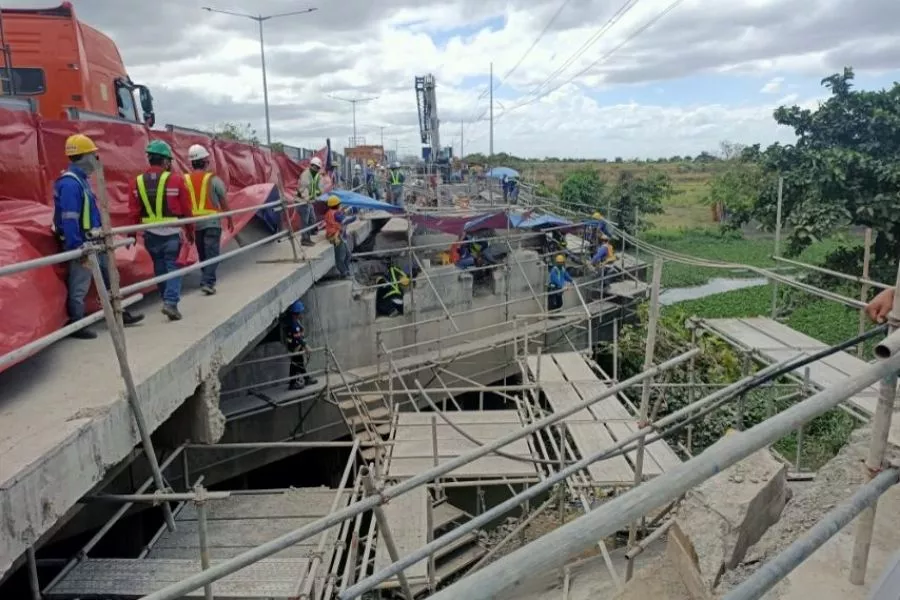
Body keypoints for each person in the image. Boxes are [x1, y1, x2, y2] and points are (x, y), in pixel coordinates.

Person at [53, 134, 144, 338]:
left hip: (96, 240)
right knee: (80, 285)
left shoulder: (81, 181)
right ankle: (77, 324)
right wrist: (78, 248)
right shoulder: (70, 184)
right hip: (83, 244)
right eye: (94, 155)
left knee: (111, 277)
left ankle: (119, 312)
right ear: (84, 157)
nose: (97, 160)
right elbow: (70, 219)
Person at [130, 139, 193, 321]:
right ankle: (171, 303)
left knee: (159, 267)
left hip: (150, 234)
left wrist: (132, 234)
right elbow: (187, 209)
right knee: (174, 267)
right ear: (166, 161)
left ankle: (166, 299)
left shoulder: (136, 182)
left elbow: (133, 211)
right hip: (173, 232)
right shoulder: (176, 180)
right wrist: (190, 230)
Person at [185, 144, 233, 296]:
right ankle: (208, 282)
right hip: (212, 222)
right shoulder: (213, 179)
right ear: (206, 161)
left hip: (195, 224)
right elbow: (223, 199)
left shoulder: (185, 180)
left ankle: (205, 278)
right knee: (212, 253)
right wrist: (229, 217)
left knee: (203, 254)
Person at [281, 300, 317, 391]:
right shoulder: (294, 325)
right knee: (295, 364)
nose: (301, 314)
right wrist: (306, 346)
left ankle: (306, 378)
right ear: (295, 314)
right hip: (295, 348)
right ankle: (293, 383)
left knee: (299, 362)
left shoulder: (292, 321)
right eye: (300, 312)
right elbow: (297, 337)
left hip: (294, 347)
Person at [323, 195, 356, 278]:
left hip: (338, 236)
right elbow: (345, 220)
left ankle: (346, 270)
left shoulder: (331, 212)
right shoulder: (336, 214)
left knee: (348, 255)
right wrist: (354, 216)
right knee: (340, 257)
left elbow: (341, 217)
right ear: (336, 205)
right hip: (336, 237)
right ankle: (344, 273)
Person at [297, 156, 323, 246]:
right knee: (305, 221)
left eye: (318, 168)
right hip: (302, 201)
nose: (316, 169)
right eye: (315, 167)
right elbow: (303, 189)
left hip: (309, 201)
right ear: (311, 165)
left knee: (312, 219)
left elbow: (319, 188)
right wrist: (307, 198)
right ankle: (305, 239)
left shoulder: (316, 176)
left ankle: (308, 236)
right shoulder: (306, 175)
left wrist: (318, 194)